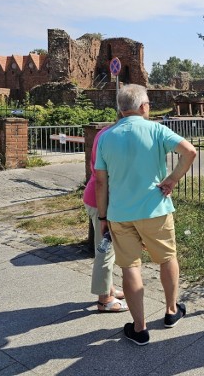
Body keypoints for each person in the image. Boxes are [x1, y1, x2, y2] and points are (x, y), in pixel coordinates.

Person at [95, 84, 197, 346]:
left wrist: (103, 217)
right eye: (149, 104)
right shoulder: (156, 130)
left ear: (121, 108)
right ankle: (171, 312)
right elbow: (190, 151)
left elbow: (100, 182)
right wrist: (172, 179)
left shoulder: (106, 136)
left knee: (130, 266)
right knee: (167, 258)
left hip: (120, 213)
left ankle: (139, 328)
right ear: (143, 107)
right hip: (155, 210)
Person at [82, 123, 128, 313]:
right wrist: (103, 215)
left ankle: (108, 288)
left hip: (96, 196)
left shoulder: (105, 132)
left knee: (107, 249)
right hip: (103, 200)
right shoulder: (116, 136)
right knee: (105, 250)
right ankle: (104, 299)